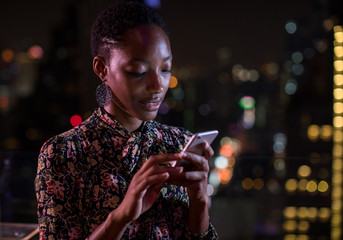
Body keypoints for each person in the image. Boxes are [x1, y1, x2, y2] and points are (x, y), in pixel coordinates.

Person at [34, 1, 218, 239]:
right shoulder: (62, 154)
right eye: (139, 71)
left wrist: (200, 198)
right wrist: (121, 216)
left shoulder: (178, 144)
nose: (158, 86)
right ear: (102, 68)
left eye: (165, 69)